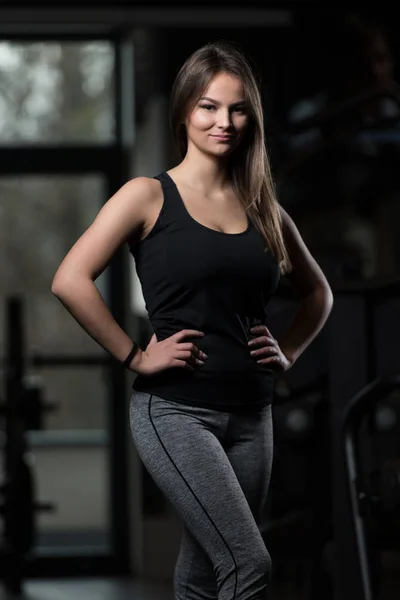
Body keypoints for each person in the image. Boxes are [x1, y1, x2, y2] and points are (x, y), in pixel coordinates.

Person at [51, 41, 333, 600]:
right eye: (208, 106)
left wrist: (290, 352)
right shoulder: (147, 195)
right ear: (185, 111)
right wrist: (134, 355)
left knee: (205, 571)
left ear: (252, 115)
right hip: (177, 412)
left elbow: (318, 294)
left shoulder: (265, 208)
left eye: (237, 108)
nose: (223, 121)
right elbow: (69, 279)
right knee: (249, 563)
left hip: (254, 416)